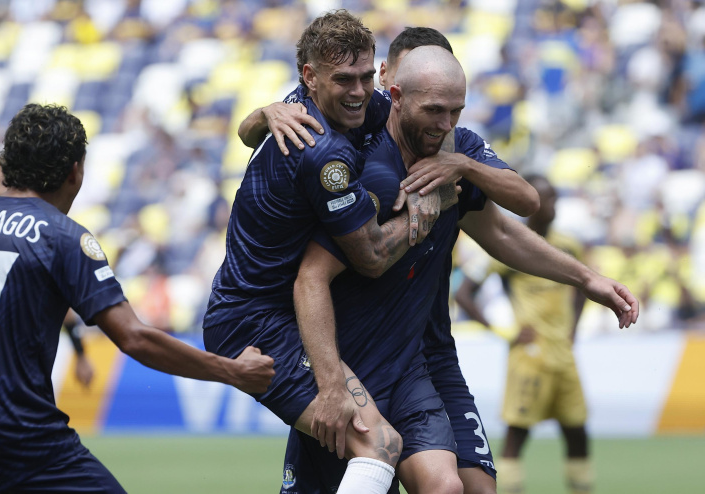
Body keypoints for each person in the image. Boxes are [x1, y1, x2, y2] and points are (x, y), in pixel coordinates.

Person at [246, 34, 636, 494]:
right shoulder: (363, 161)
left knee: (467, 487)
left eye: (454, 108)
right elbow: (316, 271)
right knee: (372, 467)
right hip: (349, 356)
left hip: (425, 356)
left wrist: (587, 278)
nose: (445, 121)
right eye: (433, 107)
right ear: (392, 89)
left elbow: (508, 224)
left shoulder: (457, 151)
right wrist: (264, 115)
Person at [0, 103, 275, 494]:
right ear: (75, 171)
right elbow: (133, 337)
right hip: (23, 439)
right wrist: (231, 371)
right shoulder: (61, 235)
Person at [204, 10, 444, 494]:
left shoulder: (320, 104)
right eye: (343, 80)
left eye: (364, 76)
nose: (358, 92)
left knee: (374, 449)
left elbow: (249, 132)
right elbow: (371, 257)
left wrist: (260, 114)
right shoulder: (322, 152)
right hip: (254, 323)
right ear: (310, 78)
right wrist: (433, 206)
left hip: (278, 313)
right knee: (377, 447)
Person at [454, 175, 594, 494]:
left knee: (578, 433)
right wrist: (506, 333)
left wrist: (572, 329)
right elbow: (463, 294)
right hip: (529, 357)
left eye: (557, 198)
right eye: (549, 200)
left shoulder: (567, 245)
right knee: (518, 436)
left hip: (564, 355)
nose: (555, 207)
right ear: (532, 205)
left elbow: (584, 288)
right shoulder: (509, 246)